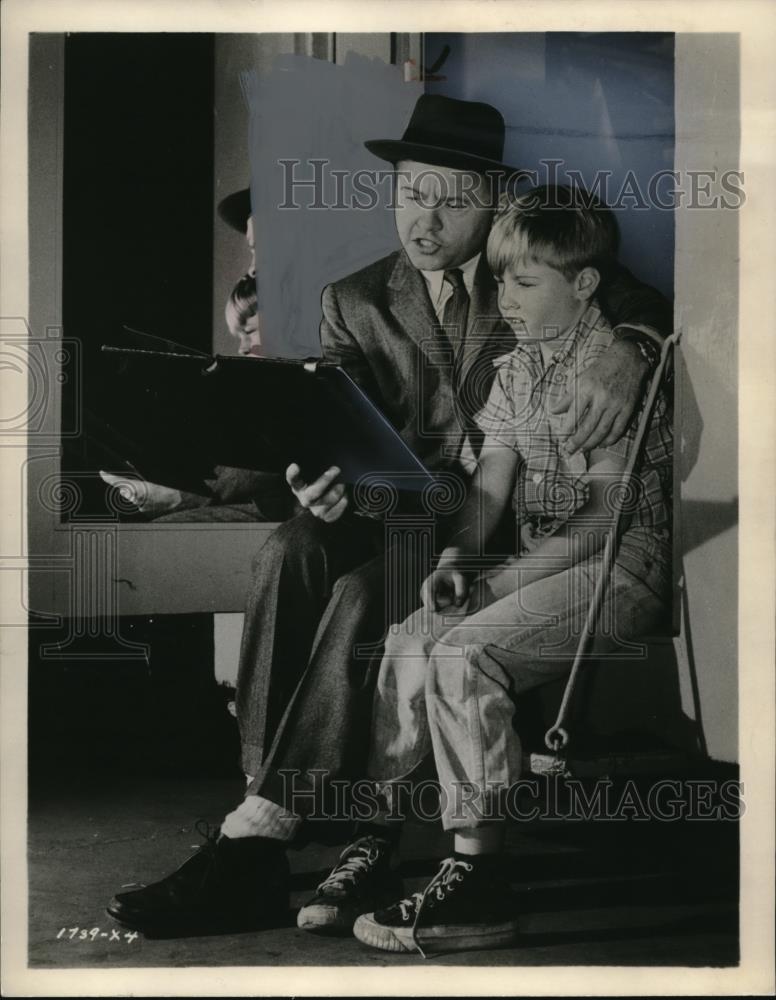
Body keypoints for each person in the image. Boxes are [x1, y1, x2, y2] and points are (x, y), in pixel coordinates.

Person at [106, 95, 672, 938]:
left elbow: (639, 304)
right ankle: (269, 797)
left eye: (448, 196)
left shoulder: (532, 266)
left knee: (370, 597)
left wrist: (630, 350)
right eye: (411, 192)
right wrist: (318, 484)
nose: (425, 216)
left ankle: (294, 835)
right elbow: (333, 426)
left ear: (492, 201)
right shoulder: (358, 297)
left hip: (489, 519)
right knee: (291, 550)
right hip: (402, 505)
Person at [351, 184, 673, 955]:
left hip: (619, 570)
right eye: (500, 281)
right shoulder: (519, 367)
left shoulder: (606, 370)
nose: (506, 298)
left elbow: (603, 522)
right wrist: (462, 557)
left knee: (465, 653)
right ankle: (375, 841)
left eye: (525, 282)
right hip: (540, 564)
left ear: (585, 283)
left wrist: (501, 582)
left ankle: (479, 879)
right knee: (411, 636)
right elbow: (491, 484)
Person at [100, 190, 295, 523]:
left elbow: (283, 454)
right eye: (252, 250)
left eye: (261, 249)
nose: (251, 269)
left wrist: (179, 498)